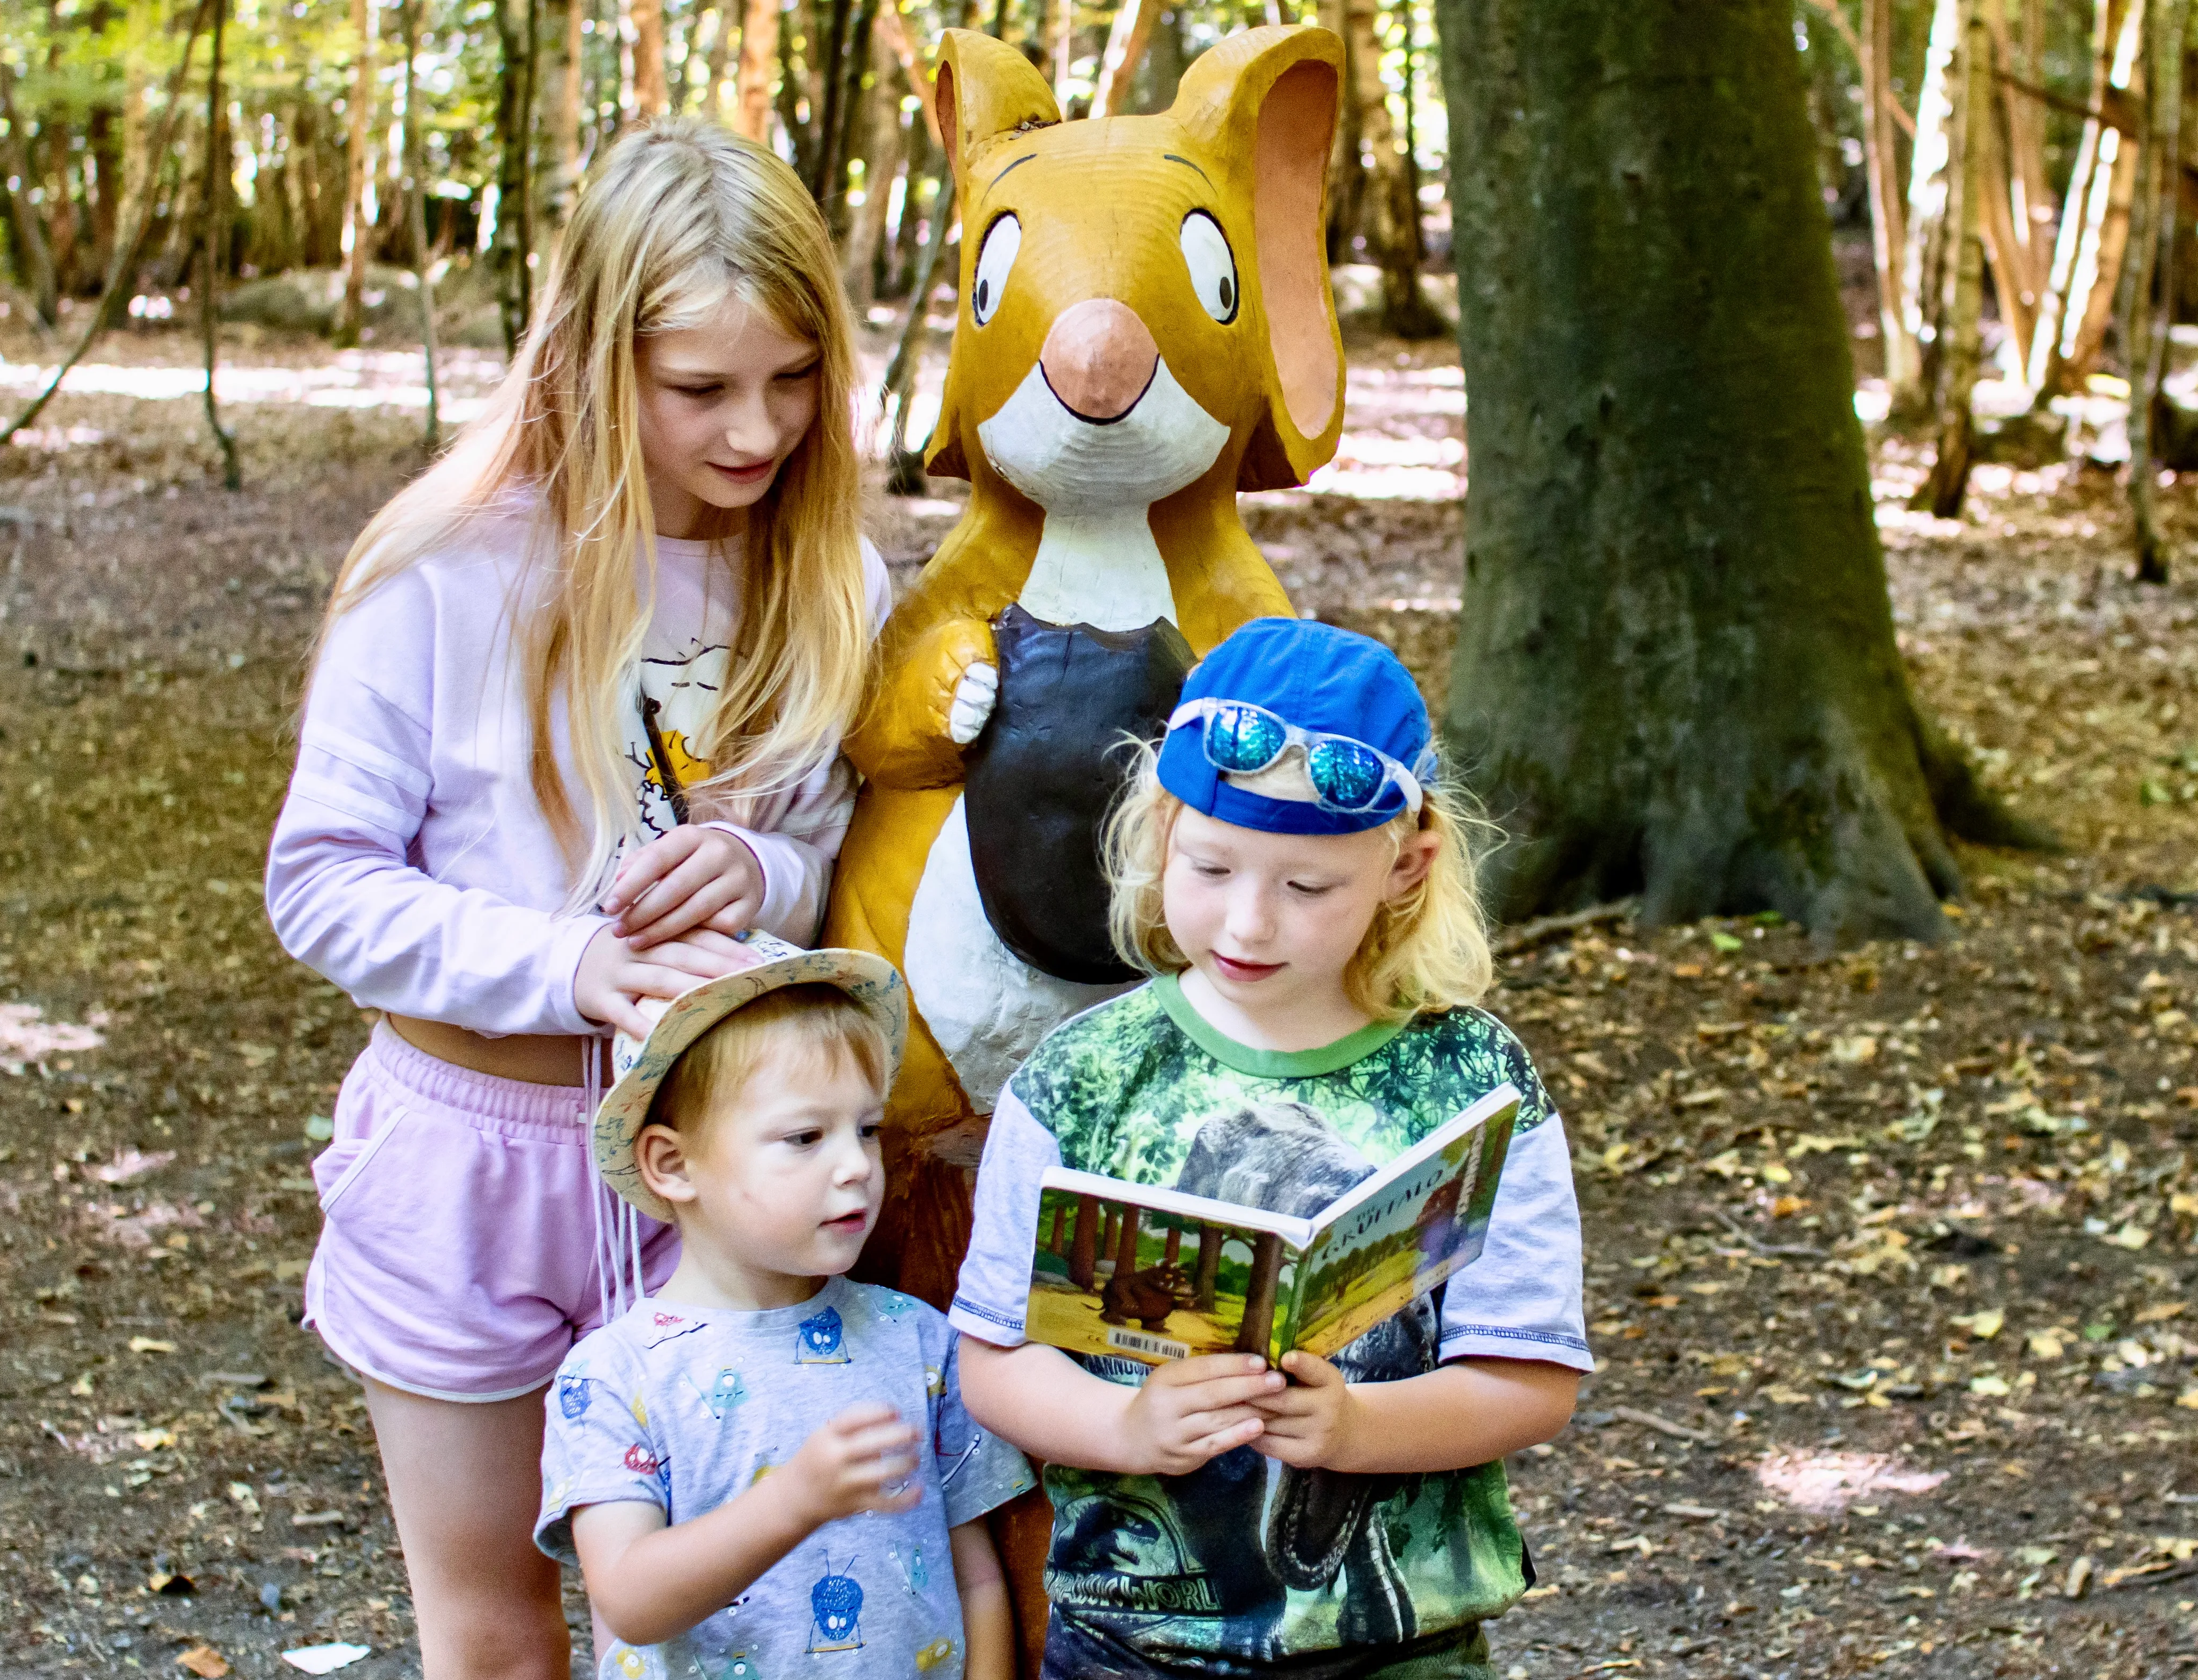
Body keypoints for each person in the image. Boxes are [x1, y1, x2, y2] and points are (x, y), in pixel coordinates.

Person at [263, 118, 892, 1680]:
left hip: (730, 1179)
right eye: (700, 390)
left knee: (733, 1611)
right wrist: (568, 964)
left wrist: (763, 867)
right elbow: (322, 882)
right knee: (495, 1628)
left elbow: (832, 840)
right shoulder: (442, 573)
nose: (757, 430)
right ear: (588, 358)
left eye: (793, 379)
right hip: (471, 1164)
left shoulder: (831, 581)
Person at [947, 618, 1591, 1678]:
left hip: (1394, 1648)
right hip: (1131, 1641)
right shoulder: (1081, 1079)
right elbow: (994, 1357)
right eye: (1211, 867)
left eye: (1307, 888)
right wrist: (1126, 1424)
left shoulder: (1476, 1082)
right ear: (1161, 829)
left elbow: (1530, 1380)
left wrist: (1355, 1428)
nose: (1249, 922)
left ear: (1405, 868)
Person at [539, 936, 1032, 1680]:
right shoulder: (613, 1375)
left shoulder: (918, 1342)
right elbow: (630, 1601)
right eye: (805, 1137)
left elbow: (978, 1579)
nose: (856, 1168)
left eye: (866, 1130)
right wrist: (794, 1502)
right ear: (674, 1165)